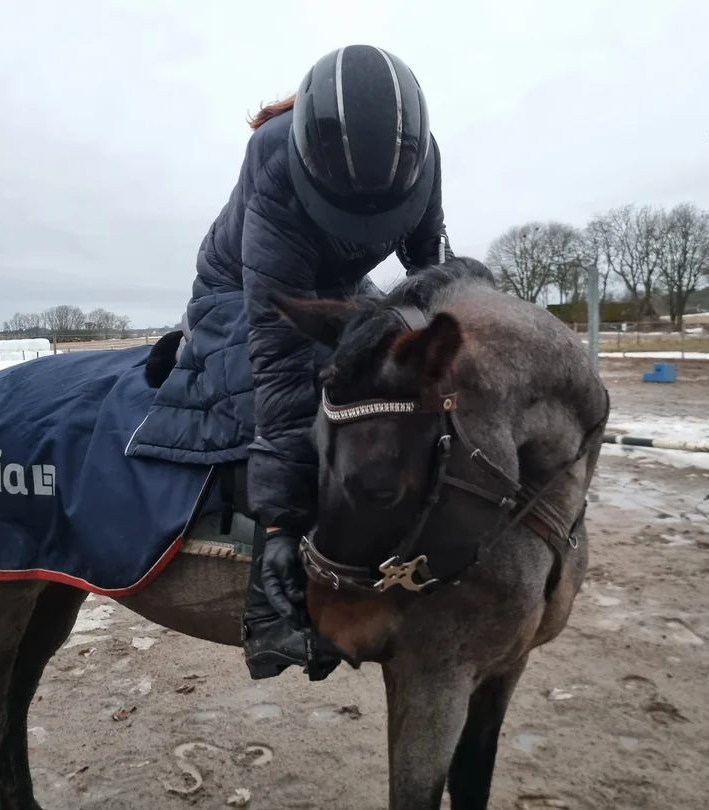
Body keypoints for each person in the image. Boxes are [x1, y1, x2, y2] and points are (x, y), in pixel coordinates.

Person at [128, 44, 453, 681]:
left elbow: (430, 273)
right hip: (240, 288)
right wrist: (279, 524)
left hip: (342, 290)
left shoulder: (426, 160)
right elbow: (276, 353)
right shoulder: (274, 157)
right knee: (292, 389)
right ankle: (271, 611)